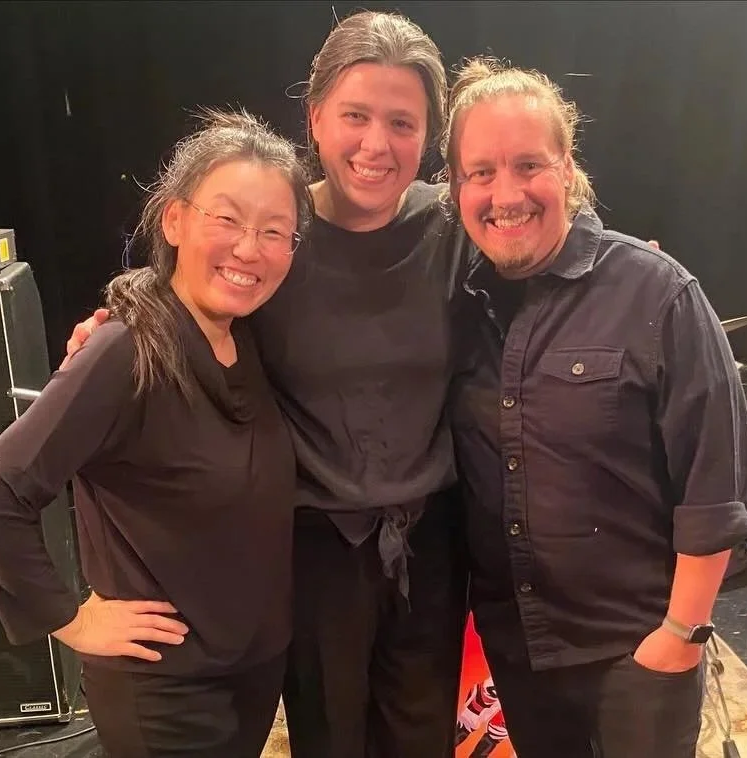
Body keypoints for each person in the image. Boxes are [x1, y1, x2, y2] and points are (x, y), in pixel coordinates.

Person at [63, 11, 471, 758]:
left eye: (402, 123)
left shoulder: (452, 227)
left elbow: (533, 233)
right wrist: (121, 317)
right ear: (314, 118)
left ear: (429, 137)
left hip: (430, 542)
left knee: (423, 739)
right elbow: (187, 285)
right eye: (355, 115)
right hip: (311, 548)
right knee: (331, 739)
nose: (376, 144)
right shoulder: (278, 233)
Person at [0, 108, 312, 758]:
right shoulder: (122, 351)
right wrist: (70, 618)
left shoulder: (250, 338)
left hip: (251, 672)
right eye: (227, 219)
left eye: (273, 231)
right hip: (165, 693)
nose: (248, 249)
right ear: (174, 220)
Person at [438, 57, 747, 757]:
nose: (505, 193)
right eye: (480, 172)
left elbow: (717, 483)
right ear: (456, 187)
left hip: (635, 652)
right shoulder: (460, 305)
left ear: (566, 168)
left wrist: (680, 635)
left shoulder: (658, 293)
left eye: (529, 165)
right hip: (519, 648)